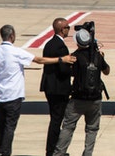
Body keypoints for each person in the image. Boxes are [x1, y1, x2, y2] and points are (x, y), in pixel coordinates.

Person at [0, 24, 74, 156]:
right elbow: (39, 60)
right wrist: (62, 59)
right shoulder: (16, 52)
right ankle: (5, 152)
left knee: (0, 124)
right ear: (12, 36)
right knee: (10, 126)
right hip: (13, 95)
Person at [52, 27, 111, 156]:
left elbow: (69, 72)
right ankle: (87, 153)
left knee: (68, 127)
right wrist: (101, 58)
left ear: (78, 42)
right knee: (92, 129)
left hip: (78, 99)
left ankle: (59, 153)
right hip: (95, 99)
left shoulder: (75, 57)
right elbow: (107, 71)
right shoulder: (97, 56)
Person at [40, 17, 73, 156]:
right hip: (58, 88)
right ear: (61, 29)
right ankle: (53, 150)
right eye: (67, 27)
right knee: (57, 120)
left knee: (54, 118)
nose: (69, 30)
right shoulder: (60, 47)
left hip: (49, 86)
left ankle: (53, 149)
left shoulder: (49, 44)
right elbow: (63, 69)